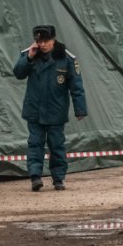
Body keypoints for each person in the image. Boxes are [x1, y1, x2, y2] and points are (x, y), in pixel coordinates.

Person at [13, 25, 87, 192]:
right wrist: (29, 58)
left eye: (46, 41)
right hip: (34, 110)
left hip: (56, 110)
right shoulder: (30, 54)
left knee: (57, 145)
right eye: (39, 41)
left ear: (53, 40)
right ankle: (35, 177)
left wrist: (80, 109)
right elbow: (18, 73)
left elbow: (76, 86)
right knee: (35, 143)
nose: (43, 45)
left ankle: (58, 178)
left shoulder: (66, 58)